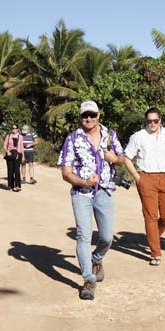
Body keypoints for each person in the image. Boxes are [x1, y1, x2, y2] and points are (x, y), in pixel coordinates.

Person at [58, 100, 125, 301]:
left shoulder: (110, 135)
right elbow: (65, 172)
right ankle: (88, 279)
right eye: (85, 115)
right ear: (80, 117)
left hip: (104, 191)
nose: (89, 119)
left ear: (98, 116)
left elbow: (122, 158)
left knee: (107, 237)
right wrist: (84, 183)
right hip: (81, 194)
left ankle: (97, 259)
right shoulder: (72, 139)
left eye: (92, 115)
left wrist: (114, 159)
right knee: (83, 236)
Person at [123, 108, 165, 266]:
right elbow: (127, 157)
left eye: (155, 121)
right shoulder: (138, 136)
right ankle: (156, 253)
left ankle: (154, 236)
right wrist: (137, 177)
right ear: (145, 121)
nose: (152, 123)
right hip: (146, 177)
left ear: (160, 120)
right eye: (149, 121)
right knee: (150, 216)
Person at [3, 123, 25, 192]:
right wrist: (7, 151)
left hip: (18, 154)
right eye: (13, 128)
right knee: (10, 170)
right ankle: (10, 186)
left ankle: (17, 186)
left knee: (17, 170)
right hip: (10, 154)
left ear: (18, 129)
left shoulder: (20, 136)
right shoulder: (8, 136)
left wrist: (23, 156)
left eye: (15, 128)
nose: (14, 129)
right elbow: (4, 145)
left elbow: (21, 146)